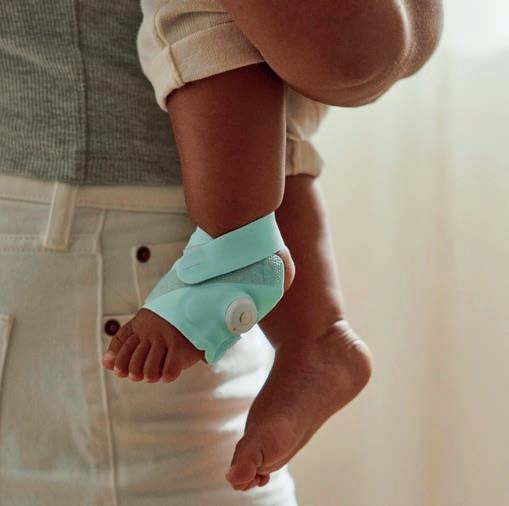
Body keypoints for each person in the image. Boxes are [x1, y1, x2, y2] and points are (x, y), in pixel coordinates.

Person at [0, 1, 442, 504]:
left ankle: (262, 282)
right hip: (108, 300)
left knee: (205, 18)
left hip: (171, 321)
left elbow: (373, 49)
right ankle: (310, 328)